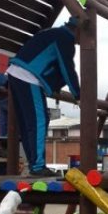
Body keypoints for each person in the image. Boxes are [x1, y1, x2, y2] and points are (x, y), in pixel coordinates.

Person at [6, 17, 81, 177]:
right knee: (39, 120)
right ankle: (38, 166)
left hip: (16, 72)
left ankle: (34, 164)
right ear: (78, 30)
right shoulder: (65, 38)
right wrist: (78, 94)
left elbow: (56, 69)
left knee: (29, 123)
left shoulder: (52, 33)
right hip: (29, 76)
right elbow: (67, 68)